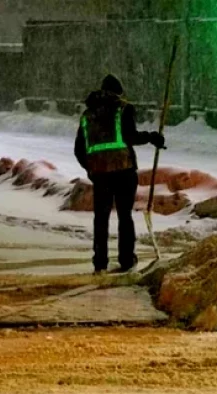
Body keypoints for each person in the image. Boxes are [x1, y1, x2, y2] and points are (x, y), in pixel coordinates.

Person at [74, 74, 166, 274]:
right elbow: (130, 136)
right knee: (125, 216)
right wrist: (151, 137)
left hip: (100, 175)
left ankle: (100, 261)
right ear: (118, 92)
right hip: (123, 171)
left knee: (101, 218)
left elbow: (79, 149)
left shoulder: (88, 115)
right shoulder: (123, 109)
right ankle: (126, 259)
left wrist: (91, 168)